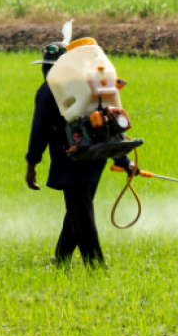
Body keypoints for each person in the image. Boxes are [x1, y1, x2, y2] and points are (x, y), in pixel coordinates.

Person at [25, 41, 135, 268]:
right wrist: (122, 160)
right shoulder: (89, 86)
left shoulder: (48, 90)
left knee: (81, 213)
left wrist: (32, 164)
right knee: (77, 210)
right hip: (96, 157)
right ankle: (61, 258)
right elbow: (108, 125)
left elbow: (40, 131)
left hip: (71, 159)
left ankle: (96, 266)